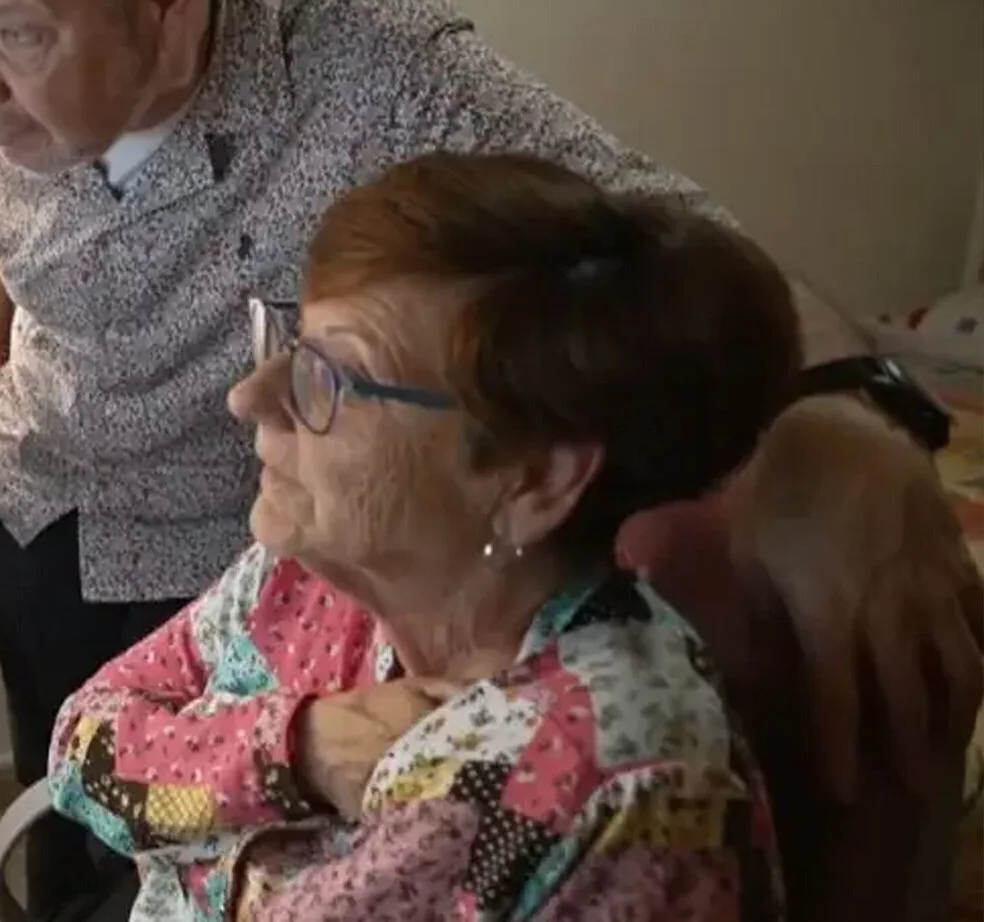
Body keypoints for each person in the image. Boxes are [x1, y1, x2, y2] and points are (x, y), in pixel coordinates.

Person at [0, 0, 983, 917]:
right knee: (77, 832)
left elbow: (664, 244)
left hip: (225, 531)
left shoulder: (370, 65)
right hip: (40, 496)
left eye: (12, 36)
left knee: (200, 829)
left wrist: (844, 424)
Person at [47, 151, 796, 922]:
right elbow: (78, 747)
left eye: (334, 377)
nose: (250, 397)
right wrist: (295, 752)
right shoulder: (311, 576)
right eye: (294, 344)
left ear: (533, 480)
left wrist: (201, 805)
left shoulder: (589, 776)